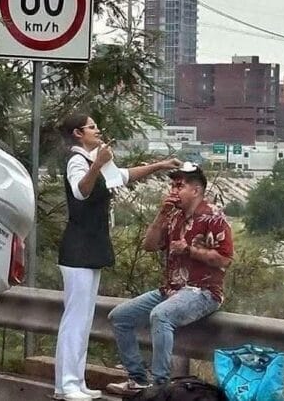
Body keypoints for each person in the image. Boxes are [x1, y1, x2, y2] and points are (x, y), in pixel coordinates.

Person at [53, 113, 181, 401]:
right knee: (75, 319)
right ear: (77, 133)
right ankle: (67, 384)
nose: (98, 130)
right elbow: (81, 191)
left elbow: (122, 175)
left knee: (84, 319)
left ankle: (74, 381)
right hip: (77, 249)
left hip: (92, 246)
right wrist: (97, 164)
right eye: (92, 127)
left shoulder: (94, 158)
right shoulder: (77, 160)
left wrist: (159, 165)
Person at [106, 162, 234, 395]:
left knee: (161, 315)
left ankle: (159, 385)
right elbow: (149, 245)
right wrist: (161, 214)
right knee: (120, 317)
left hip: (203, 291)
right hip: (171, 289)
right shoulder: (174, 216)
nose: (174, 191)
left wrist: (190, 250)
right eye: (172, 186)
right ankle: (138, 379)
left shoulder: (213, 217)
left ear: (195, 190)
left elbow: (225, 259)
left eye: (179, 186)